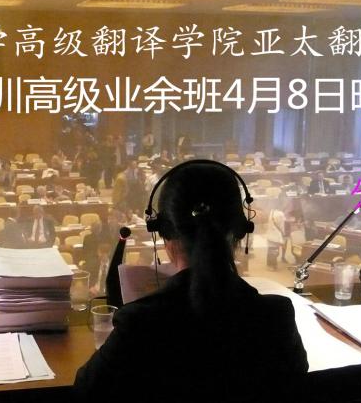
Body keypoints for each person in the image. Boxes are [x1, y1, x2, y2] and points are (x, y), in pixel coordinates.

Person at [74, 161, 308, 402]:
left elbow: (86, 389)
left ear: (163, 232)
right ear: (240, 230)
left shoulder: (139, 322)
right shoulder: (276, 317)